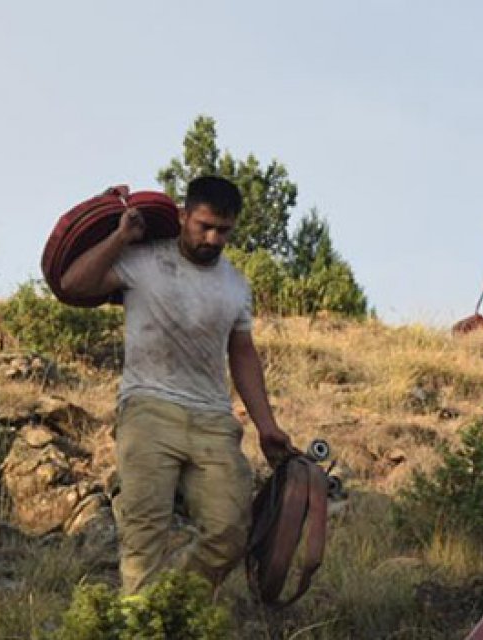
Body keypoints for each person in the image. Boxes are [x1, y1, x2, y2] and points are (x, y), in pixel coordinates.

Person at [59, 176, 296, 595]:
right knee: (144, 536)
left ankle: (170, 607)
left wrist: (267, 426)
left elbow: (242, 355)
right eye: (203, 225)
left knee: (229, 533)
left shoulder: (236, 286)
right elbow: (73, 286)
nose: (212, 237)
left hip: (212, 421)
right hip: (147, 410)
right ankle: (140, 620)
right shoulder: (143, 259)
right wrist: (119, 238)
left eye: (223, 230)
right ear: (184, 215)